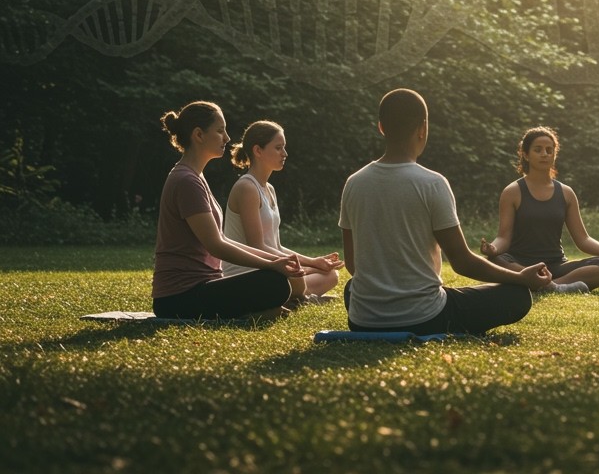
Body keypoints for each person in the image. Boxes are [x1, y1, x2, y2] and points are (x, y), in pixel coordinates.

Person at [338, 89, 551, 336]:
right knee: (516, 296)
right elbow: (461, 262)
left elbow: (354, 265)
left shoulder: (354, 183)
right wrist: (521, 278)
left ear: (381, 128)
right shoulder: (432, 183)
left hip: (363, 320)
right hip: (425, 317)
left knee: (352, 287)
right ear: (423, 128)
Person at [152, 101, 310, 320]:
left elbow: (222, 238)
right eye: (219, 131)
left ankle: (251, 312)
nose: (227, 138)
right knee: (275, 283)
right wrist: (271, 264)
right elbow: (216, 245)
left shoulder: (195, 177)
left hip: (204, 285)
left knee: (276, 279)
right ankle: (248, 314)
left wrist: (274, 262)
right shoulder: (186, 180)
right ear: (199, 135)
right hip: (179, 297)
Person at [481, 127, 599, 293]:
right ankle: (546, 284)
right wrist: (493, 249)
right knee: (495, 259)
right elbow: (503, 237)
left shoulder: (566, 193)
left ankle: (551, 286)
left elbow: (583, 239)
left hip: (555, 266)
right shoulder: (512, 192)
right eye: (538, 150)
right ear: (525, 155)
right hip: (521, 265)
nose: (544, 154)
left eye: (549, 150)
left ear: (555, 154)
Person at [222, 120, 342, 303]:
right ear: (258, 150)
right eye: (278, 148)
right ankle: (300, 297)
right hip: (248, 272)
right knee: (299, 279)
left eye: (284, 148)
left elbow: (276, 247)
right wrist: (308, 264)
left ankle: (297, 297)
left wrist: (314, 261)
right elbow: (257, 246)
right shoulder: (246, 188)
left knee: (330, 275)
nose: (284, 153)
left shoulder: (269, 188)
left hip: (273, 268)